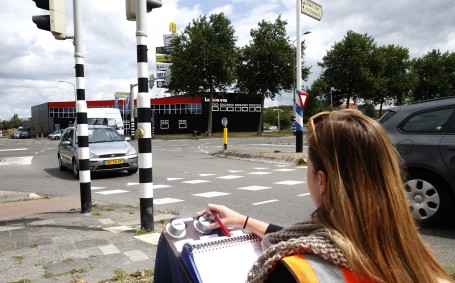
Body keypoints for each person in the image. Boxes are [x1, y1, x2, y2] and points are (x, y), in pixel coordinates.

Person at [199, 110, 453, 283]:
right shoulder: (412, 252)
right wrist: (243, 220)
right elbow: (302, 235)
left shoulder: (295, 272)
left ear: (322, 180)